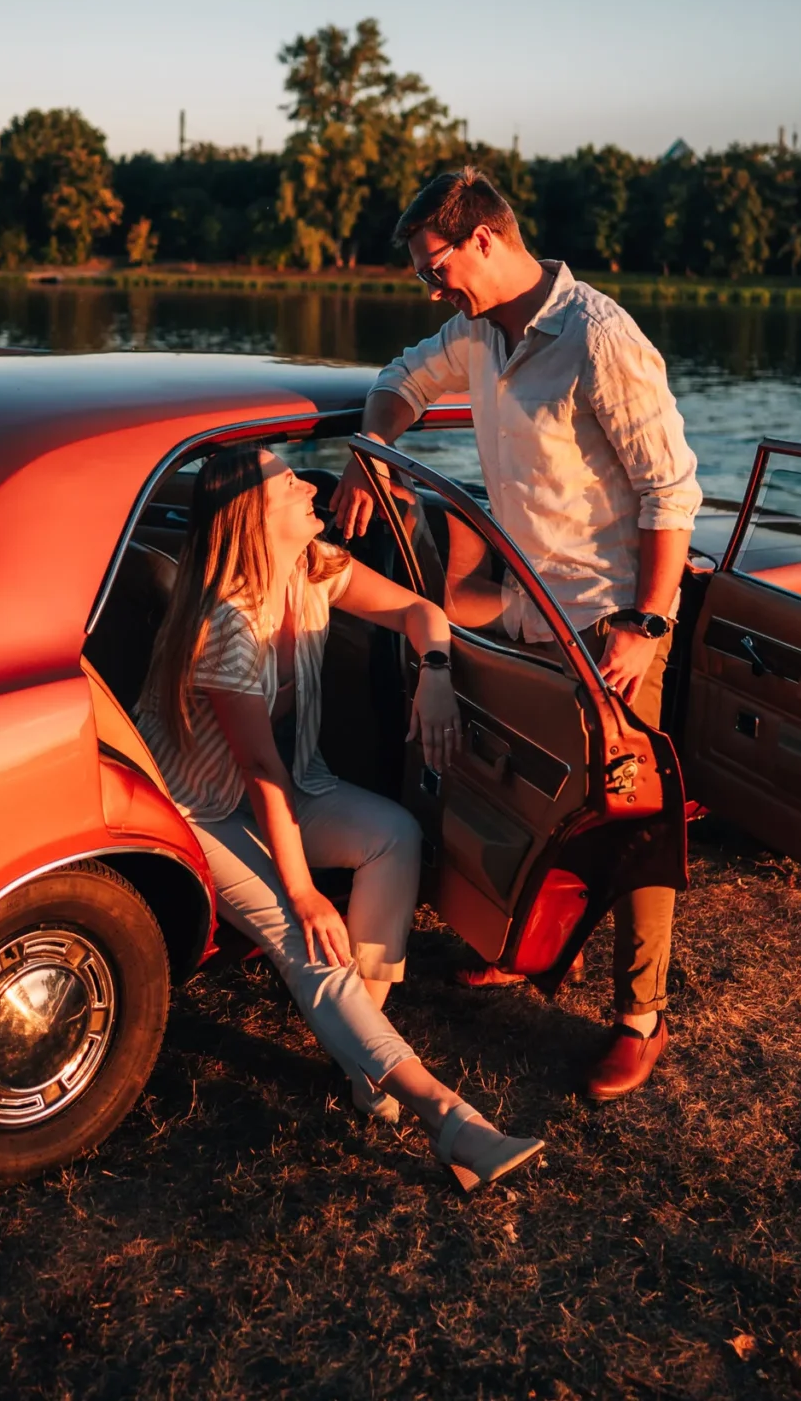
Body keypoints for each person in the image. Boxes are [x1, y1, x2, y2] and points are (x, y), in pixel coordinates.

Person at [331, 167, 701, 1103]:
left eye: (436, 265)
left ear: (487, 240)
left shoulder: (598, 338)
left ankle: (640, 1018)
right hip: (528, 603)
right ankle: (530, 946)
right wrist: (372, 458)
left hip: (614, 618)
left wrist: (649, 624)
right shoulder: (476, 332)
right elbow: (397, 383)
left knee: (626, 808)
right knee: (528, 793)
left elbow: (671, 491)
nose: (431, 287)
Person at [137, 444, 546, 1190]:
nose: (308, 483)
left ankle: (365, 1063)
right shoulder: (225, 622)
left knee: (395, 834)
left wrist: (437, 675)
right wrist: (302, 889)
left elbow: (420, 611)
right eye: (287, 478)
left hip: (292, 787)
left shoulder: (312, 566)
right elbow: (257, 770)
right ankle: (447, 1115)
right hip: (196, 808)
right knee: (306, 936)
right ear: (252, 514)